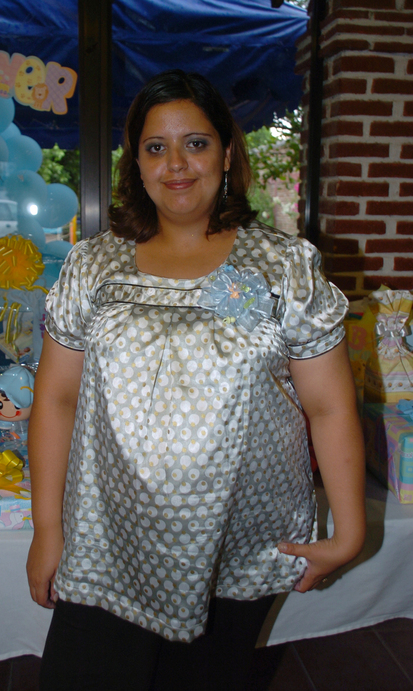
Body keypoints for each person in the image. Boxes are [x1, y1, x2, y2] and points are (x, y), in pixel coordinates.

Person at [27, 70, 366, 691]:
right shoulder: (92, 266)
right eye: (156, 147)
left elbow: (328, 406)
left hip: (241, 540)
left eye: (197, 143)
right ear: (136, 161)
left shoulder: (282, 267)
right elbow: (56, 398)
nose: (176, 164)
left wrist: (349, 530)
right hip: (108, 541)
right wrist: (47, 530)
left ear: (227, 153)